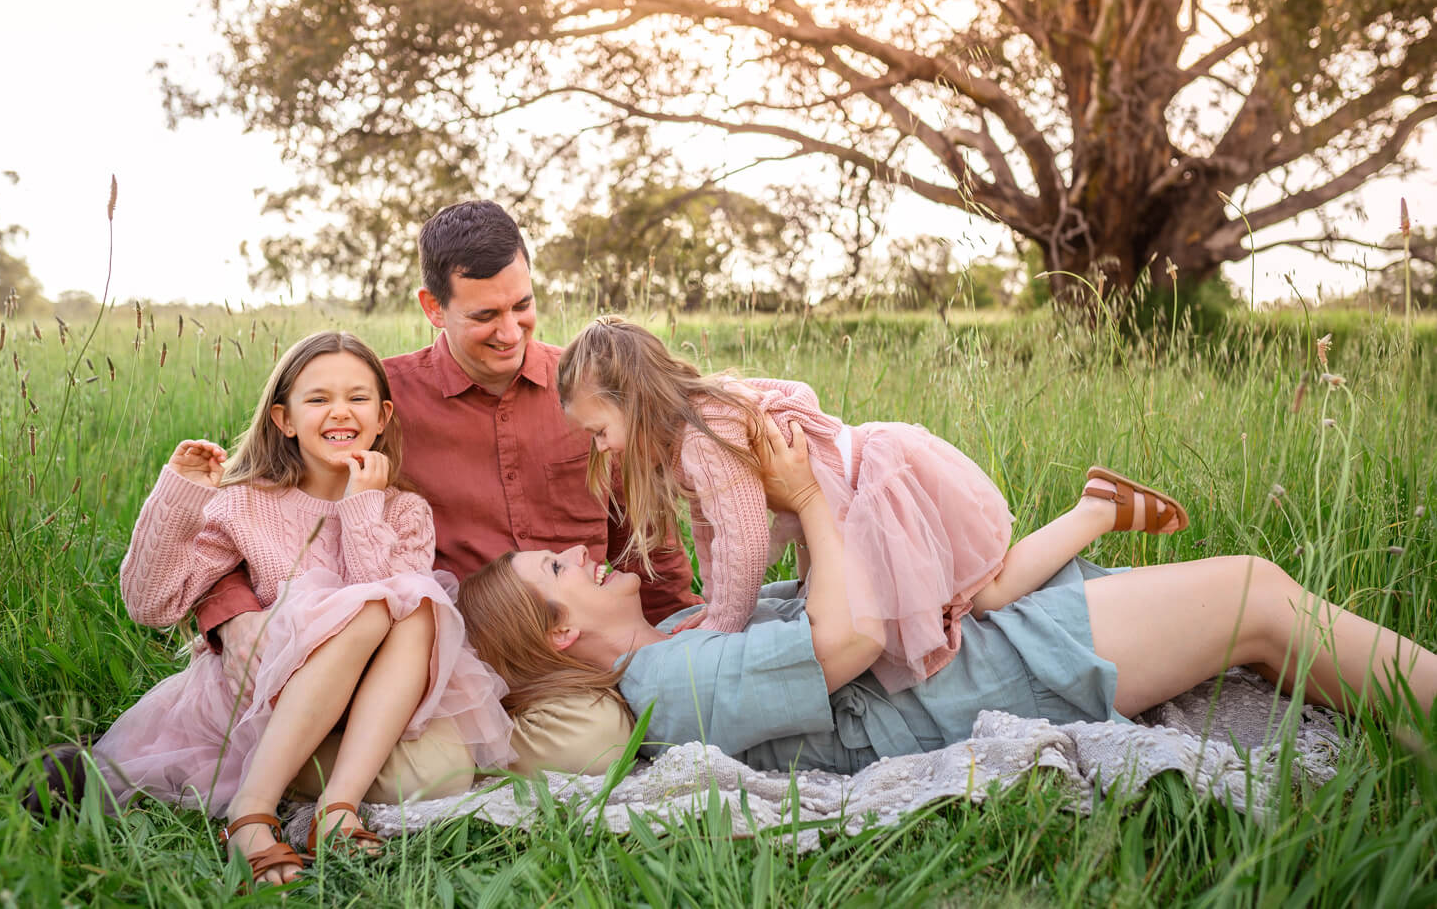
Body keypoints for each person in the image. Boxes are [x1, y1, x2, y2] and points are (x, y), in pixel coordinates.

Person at [456, 419, 1437, 775]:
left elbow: (814, 591)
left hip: (965, 641)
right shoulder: (669, 683)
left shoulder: (676, 630)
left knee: (1259, 618)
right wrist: (805, 496)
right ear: (560, 631)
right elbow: (842, 643)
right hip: (974, 679)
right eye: (552, 569)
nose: (573, 555)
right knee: (1256, 598)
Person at [195, 203, 700, 777]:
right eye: (485, 314)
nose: (511, 332)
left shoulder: (587, 393)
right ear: (433, 307)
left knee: (596, 740)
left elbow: (647, 541)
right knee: (436, 772)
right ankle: (269, 758)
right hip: (442, 665)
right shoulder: (378, 402)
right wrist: (230, 617)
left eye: (523, 306)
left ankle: (388, 760)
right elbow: (259, 505)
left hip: (571, 661)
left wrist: (683, 640)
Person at [557, 315, 1189, 690]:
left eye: (598, 430)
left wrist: (725, 621)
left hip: (871, 493)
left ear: (631, 399)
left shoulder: (704, 433)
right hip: (839, 505)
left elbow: (746, 536)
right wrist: (715, 599)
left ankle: (1097, 508)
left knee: (984, 595)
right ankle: (1096, 515)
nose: (601, 446)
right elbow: (715, 534)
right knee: (959, 601)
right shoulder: (691, 430)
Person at [91, 331, 513, 886]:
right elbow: (151, 604)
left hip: (370, 700)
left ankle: (335, 811)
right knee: (371, 608)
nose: (341, 411)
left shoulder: (404, 510)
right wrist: (179, 497)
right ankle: (251, 814)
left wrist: (363, 506)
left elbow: (390, 604)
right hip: (265, 691)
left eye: (358, 398)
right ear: (284, 418)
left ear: (383, 415)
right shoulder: (247, 503)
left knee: (416, 608)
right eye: (318, 399)